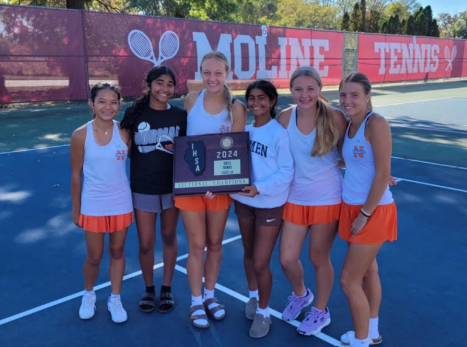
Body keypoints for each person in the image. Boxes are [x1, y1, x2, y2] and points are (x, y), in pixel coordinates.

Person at [174, 51, 246, 329]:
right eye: (207, 72)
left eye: (218, 73)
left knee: (215, 244)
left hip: (219, 190)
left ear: (227, 74)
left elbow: (236, 154)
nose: (212, 78)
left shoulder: (236, 108)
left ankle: (210, 296)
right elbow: (186, 146)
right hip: (191, 188)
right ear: (200, 73)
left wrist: (216, 186)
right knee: (196, 245)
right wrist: (199, 182)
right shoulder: (192, 100)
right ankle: (195, 302)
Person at [277, 66, 348, 335]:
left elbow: (350, 153)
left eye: (310, 88)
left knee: (319, 258)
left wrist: (378, 175)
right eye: (298, 89)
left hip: (327, 198)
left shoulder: (336, 117)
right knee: (287, 259)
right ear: (291, 90)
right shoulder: (285, 117)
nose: (304, 94)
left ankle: (320, 311)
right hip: (294, 198)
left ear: (319, 89)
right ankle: (301, 294)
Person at [120, 66, 187, 314]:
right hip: (143, 189)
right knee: (146, 243)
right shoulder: (134, 114)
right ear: (149, 84)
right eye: (160, 83)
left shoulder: (181, 116)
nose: (165, 89)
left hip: (172, 189)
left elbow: (188, 153)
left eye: (170, 84)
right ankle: (149, 289)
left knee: (169, 237)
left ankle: (166, 288)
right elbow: (125, 151)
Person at [338, 72, 397, 347]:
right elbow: (365, 166)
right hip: (352, 206)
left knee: (349, 281)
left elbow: (382, 172)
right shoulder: (349, 126)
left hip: (371, 211)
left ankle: (360, 341)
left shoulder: (377, 123)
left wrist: (365, 214)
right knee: (369, 271)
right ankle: (371, 332)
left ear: (367, 96)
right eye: (343, 95)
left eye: (354, 95)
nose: (347, 101)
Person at [232, 80, 294, 338]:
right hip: (244, 203)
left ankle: (265, 312)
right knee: (248, 253)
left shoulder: (278, 133)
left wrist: (260, 187)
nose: (255, 103)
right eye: (251, 98)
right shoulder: (243, 131)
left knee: (260, 261)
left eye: (261, 98)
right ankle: (254, 297)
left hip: (269, 204)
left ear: (272, 102)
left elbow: (286, 171)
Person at [70, 82, 132, 323]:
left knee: (117, 251)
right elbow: (76, 174)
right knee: (94, 256)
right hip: (93, 203)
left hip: (121, 201)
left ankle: (115, 298)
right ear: (92, 104)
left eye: (114, 102)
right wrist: (76, 209)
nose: (108, 106)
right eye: (102, 101)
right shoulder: (80, 135)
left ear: (119, 104)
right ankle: (89, 294)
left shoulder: (125, 132)